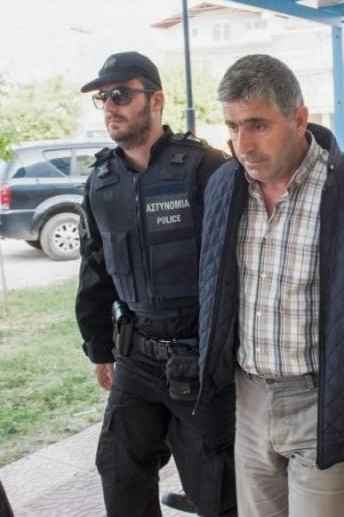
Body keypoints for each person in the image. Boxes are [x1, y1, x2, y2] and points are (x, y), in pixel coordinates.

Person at [197, 54, 344, 517]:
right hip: (250, 398)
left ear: (299, 118)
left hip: (323, 401)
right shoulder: (225, 185)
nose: (242, 145)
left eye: (258, 125)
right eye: (232, 127)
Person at [75, 51, 236, 517]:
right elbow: (94, 268)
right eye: (104, 98)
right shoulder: (101, 181)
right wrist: (99, 347)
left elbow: (239, 263)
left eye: (121, 95)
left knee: (216, 490)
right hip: (137, 357)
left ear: (156, 100)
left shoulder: (206, 167)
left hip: (200, 360)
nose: (110, 106)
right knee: (119, 470)